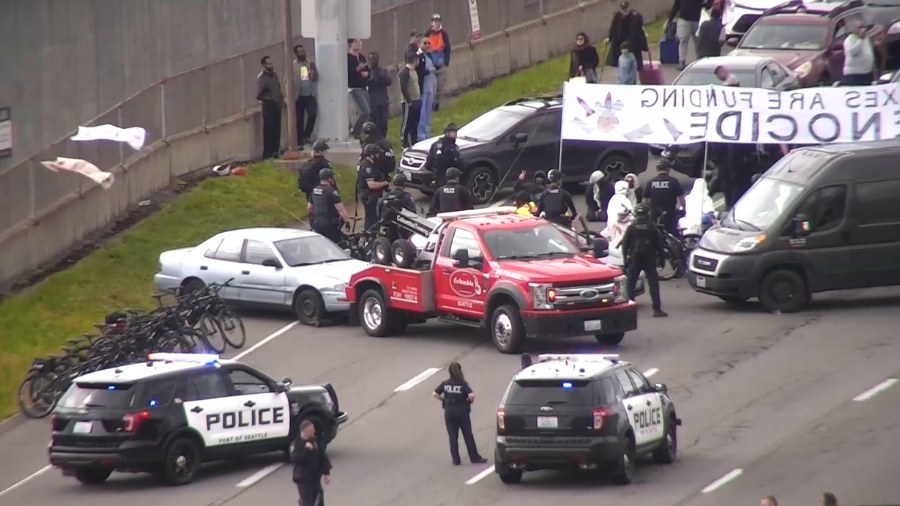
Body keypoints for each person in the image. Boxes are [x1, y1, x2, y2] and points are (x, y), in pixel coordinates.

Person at [432, 362, 488, 466]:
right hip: (462, 411)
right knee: (468, 435)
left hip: (449, 411)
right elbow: (471, 395)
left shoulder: (445, 383)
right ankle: (474, 457)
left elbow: (435, 393)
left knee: (453, 436)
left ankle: (456, 460)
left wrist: (444, 399)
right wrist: (468, 401)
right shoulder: (462, 384)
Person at [620, 204, 667, 317]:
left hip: (635, 258)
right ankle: (657, 309)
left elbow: (625, 245)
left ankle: (629, 310)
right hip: (649, 258)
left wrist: (625, 259)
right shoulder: (652, 226)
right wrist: (662, 259)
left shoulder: (632, 227)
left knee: (630, 285)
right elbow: (659, 245)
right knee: (653, 284)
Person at [291, 419, 332, 506]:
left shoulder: (314, 441)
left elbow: (322, 456)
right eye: (311, 429)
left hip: (315, 478)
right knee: (308, 502)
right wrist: (306, 450)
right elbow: (295, 459)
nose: (314, 431)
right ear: (305, 431)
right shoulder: (297, 444)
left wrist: (326, 472)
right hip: (304, 479)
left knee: (319, 500)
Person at [643, 157, 685, 236]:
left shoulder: (651, 182)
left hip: (654, 216)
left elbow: (644, 201)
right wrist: (684, 209)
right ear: (668, 169)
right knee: (673, 237)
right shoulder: (674, 181)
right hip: (670, 216)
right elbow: (682, 199)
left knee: (654, 236)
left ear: (657, 169)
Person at [310, 168, 351, 245]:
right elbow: (341, 210)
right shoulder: (332, 191)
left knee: (323, 244)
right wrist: (347, 221)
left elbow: (310, 207)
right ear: (329, 178)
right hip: (329, 224)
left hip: (317, 223)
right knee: (338, 244)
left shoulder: (314, 190)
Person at [606, 1, 648, 72]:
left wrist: (644, 41)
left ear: (629, 7)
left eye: (626, 9)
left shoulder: (636, 16)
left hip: (633, 41)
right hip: (621, 41)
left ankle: (634, 70)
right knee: (621, 58)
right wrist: (609, 37)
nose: (624, 11)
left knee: (634, 59)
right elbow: (613, 28)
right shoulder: (617, 16)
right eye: (623, 9)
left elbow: (639, 28)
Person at [256, 55, 284, 160]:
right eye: (269, 64)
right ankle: (267, 154)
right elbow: (259, 94)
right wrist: (270, 99)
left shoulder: (274, 75)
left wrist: (281, 99)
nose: (271, 65)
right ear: (264, 65)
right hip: (268, 106)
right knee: (269, 130)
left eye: (272, 63)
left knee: (277, 129)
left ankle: (275, 151)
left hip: (277, 105)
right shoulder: (262, 77)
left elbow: (278, 88)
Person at [357, 143, 390, 230]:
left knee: (370, 218)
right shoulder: (368, 166)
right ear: (371, 155)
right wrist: (384, 183)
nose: (378, 156)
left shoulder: (365, 163)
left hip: (366, 195)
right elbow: (371, 185)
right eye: (376, 154)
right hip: (369, 196)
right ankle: (371, 237)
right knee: (372, 219)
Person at [292, 45, 318, 148]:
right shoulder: (293, 65)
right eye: (300, 52)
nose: (302, 53)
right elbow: (287, 80)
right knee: (299, 120)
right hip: (298, 96)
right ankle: (299, 142)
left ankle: (306, 135)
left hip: (310, 94)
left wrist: (313, 69)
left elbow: (314, 78)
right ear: (296, 54)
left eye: (303, 51)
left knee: (312, 114)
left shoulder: (309, 63)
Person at [425, 14, 451, 111]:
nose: (436, 23)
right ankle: (430, 105)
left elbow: (447, 48)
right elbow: (424, 49)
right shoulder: (427, 34)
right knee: (431, 87)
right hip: (431, 65)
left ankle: (436, 104)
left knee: (440, 86)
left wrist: (446, 62)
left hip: (440, 64)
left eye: (438, 21)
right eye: (435, 21)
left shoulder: (444, 34)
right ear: (431, 23)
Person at [668, 0, 704, 70]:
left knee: (698, 41)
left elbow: (707, 4)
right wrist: (670, 19)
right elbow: (676, 5)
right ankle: (682, 61)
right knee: (683, 40)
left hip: (696, 20)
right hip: (684, 20)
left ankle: (700, 59)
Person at [424, 123, 462, 188]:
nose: (455, 134)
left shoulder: (453, 145)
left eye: (456, 131)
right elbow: (438, 160)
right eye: (453, 132)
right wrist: (453, 159)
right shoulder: (441, 145)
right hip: (441, 176)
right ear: (447, 133)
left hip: (452, 175)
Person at [347, 39, 370, 139]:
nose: (359, 43)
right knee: (365, 111)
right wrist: (357, 69)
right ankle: (354, 131)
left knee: (362, 113)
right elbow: (347, 73)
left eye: (360, 41)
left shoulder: (361, 57)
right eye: (356, 41)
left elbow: (367, 70)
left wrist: (367, 74)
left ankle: (358, 135)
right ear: (351, 44)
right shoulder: (347, 57)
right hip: (354, 87)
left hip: (364, 87)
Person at [399, 54, 423, 149]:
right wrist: (409, 101)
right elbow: (403, 88)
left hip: (417, 100)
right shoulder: (404, 72)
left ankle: (414, 140)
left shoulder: (414, 71)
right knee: (407, 122)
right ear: (415, 60)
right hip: (409, 102)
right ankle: (404, 142)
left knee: (415, 122)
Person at [366, 52, 392, 137]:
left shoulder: (383, 71)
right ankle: (375, 139)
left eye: (375, 59)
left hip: (383, 101)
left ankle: (382, 139)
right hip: (373, 102)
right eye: (371, 59)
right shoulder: (367, 73)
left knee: (384, 123)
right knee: (374, 123)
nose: (373, 61)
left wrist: (377, 73)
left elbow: (389, 81)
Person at [417, 38, 438, 141]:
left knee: (428, 111)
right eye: (425, 43)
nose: (427, 45)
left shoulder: (429, 56)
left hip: (430, 87)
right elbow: (419, 72)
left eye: (429, 43)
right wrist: (428, 71)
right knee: (422, 112)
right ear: (420, 44)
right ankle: (421, 134)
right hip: (423, 88)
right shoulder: (419, 56)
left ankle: (427, 132)